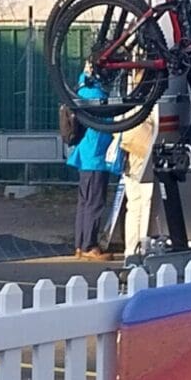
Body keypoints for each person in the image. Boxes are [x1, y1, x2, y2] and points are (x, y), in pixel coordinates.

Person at [68, 76, 125, 256]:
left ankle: (80, 244)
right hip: (95, 158)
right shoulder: (98, 96)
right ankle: (89, 245)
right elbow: (105, 129)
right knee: (95, 203)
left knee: (85, 202)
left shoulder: (81, 92)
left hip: (84, 156)